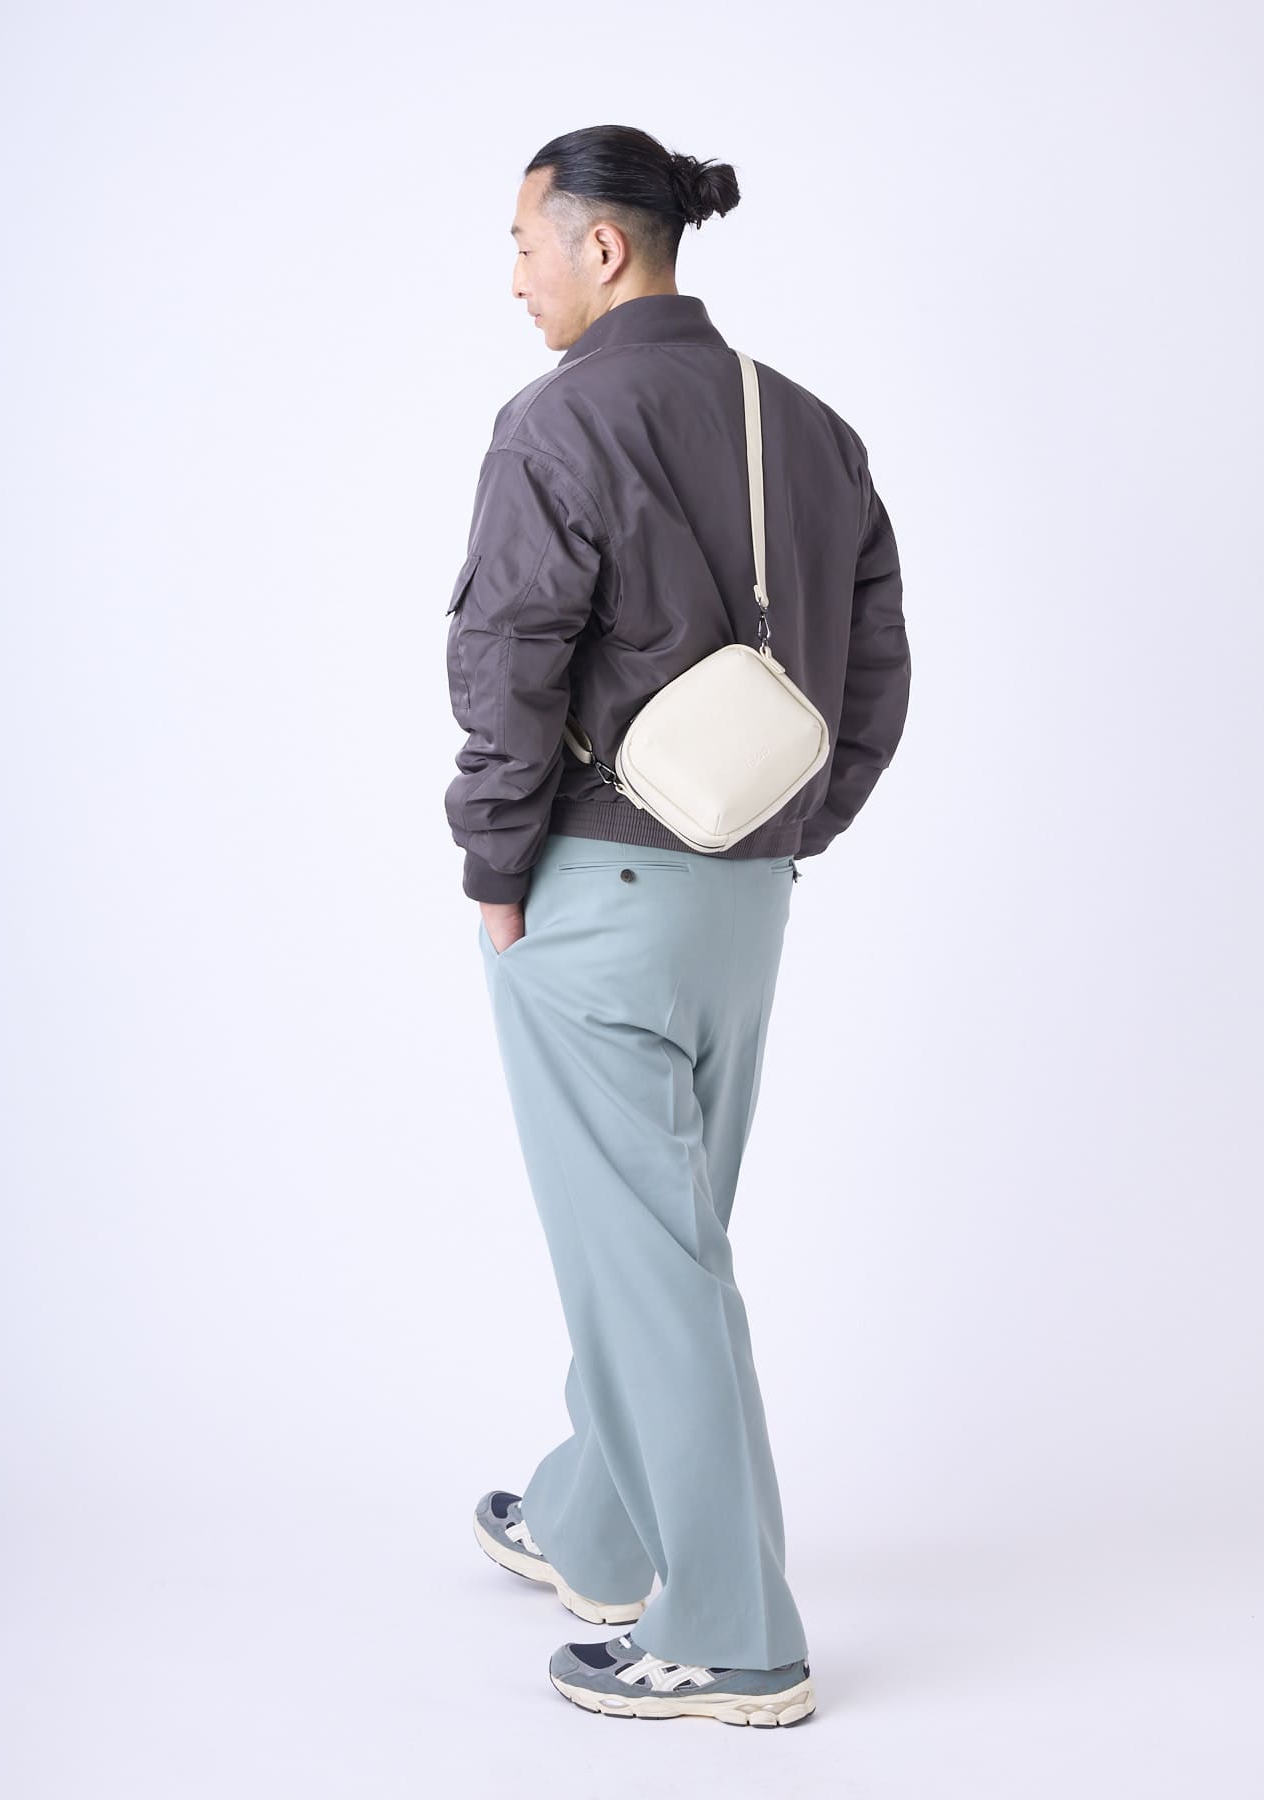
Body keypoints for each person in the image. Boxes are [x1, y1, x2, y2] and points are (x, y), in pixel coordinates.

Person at [444, 124, 910, 1727]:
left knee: (648, 1261)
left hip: (597, 887)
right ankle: (594, 1522)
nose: (514, 276)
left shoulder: (561, 421)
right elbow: (874, 671)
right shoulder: (813, 429)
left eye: (525, 244)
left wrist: (494, 869)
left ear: (603, 247)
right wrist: (787, 831)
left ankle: (731, 1633)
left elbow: (508, 660)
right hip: (742, 900)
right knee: (662, 1237)